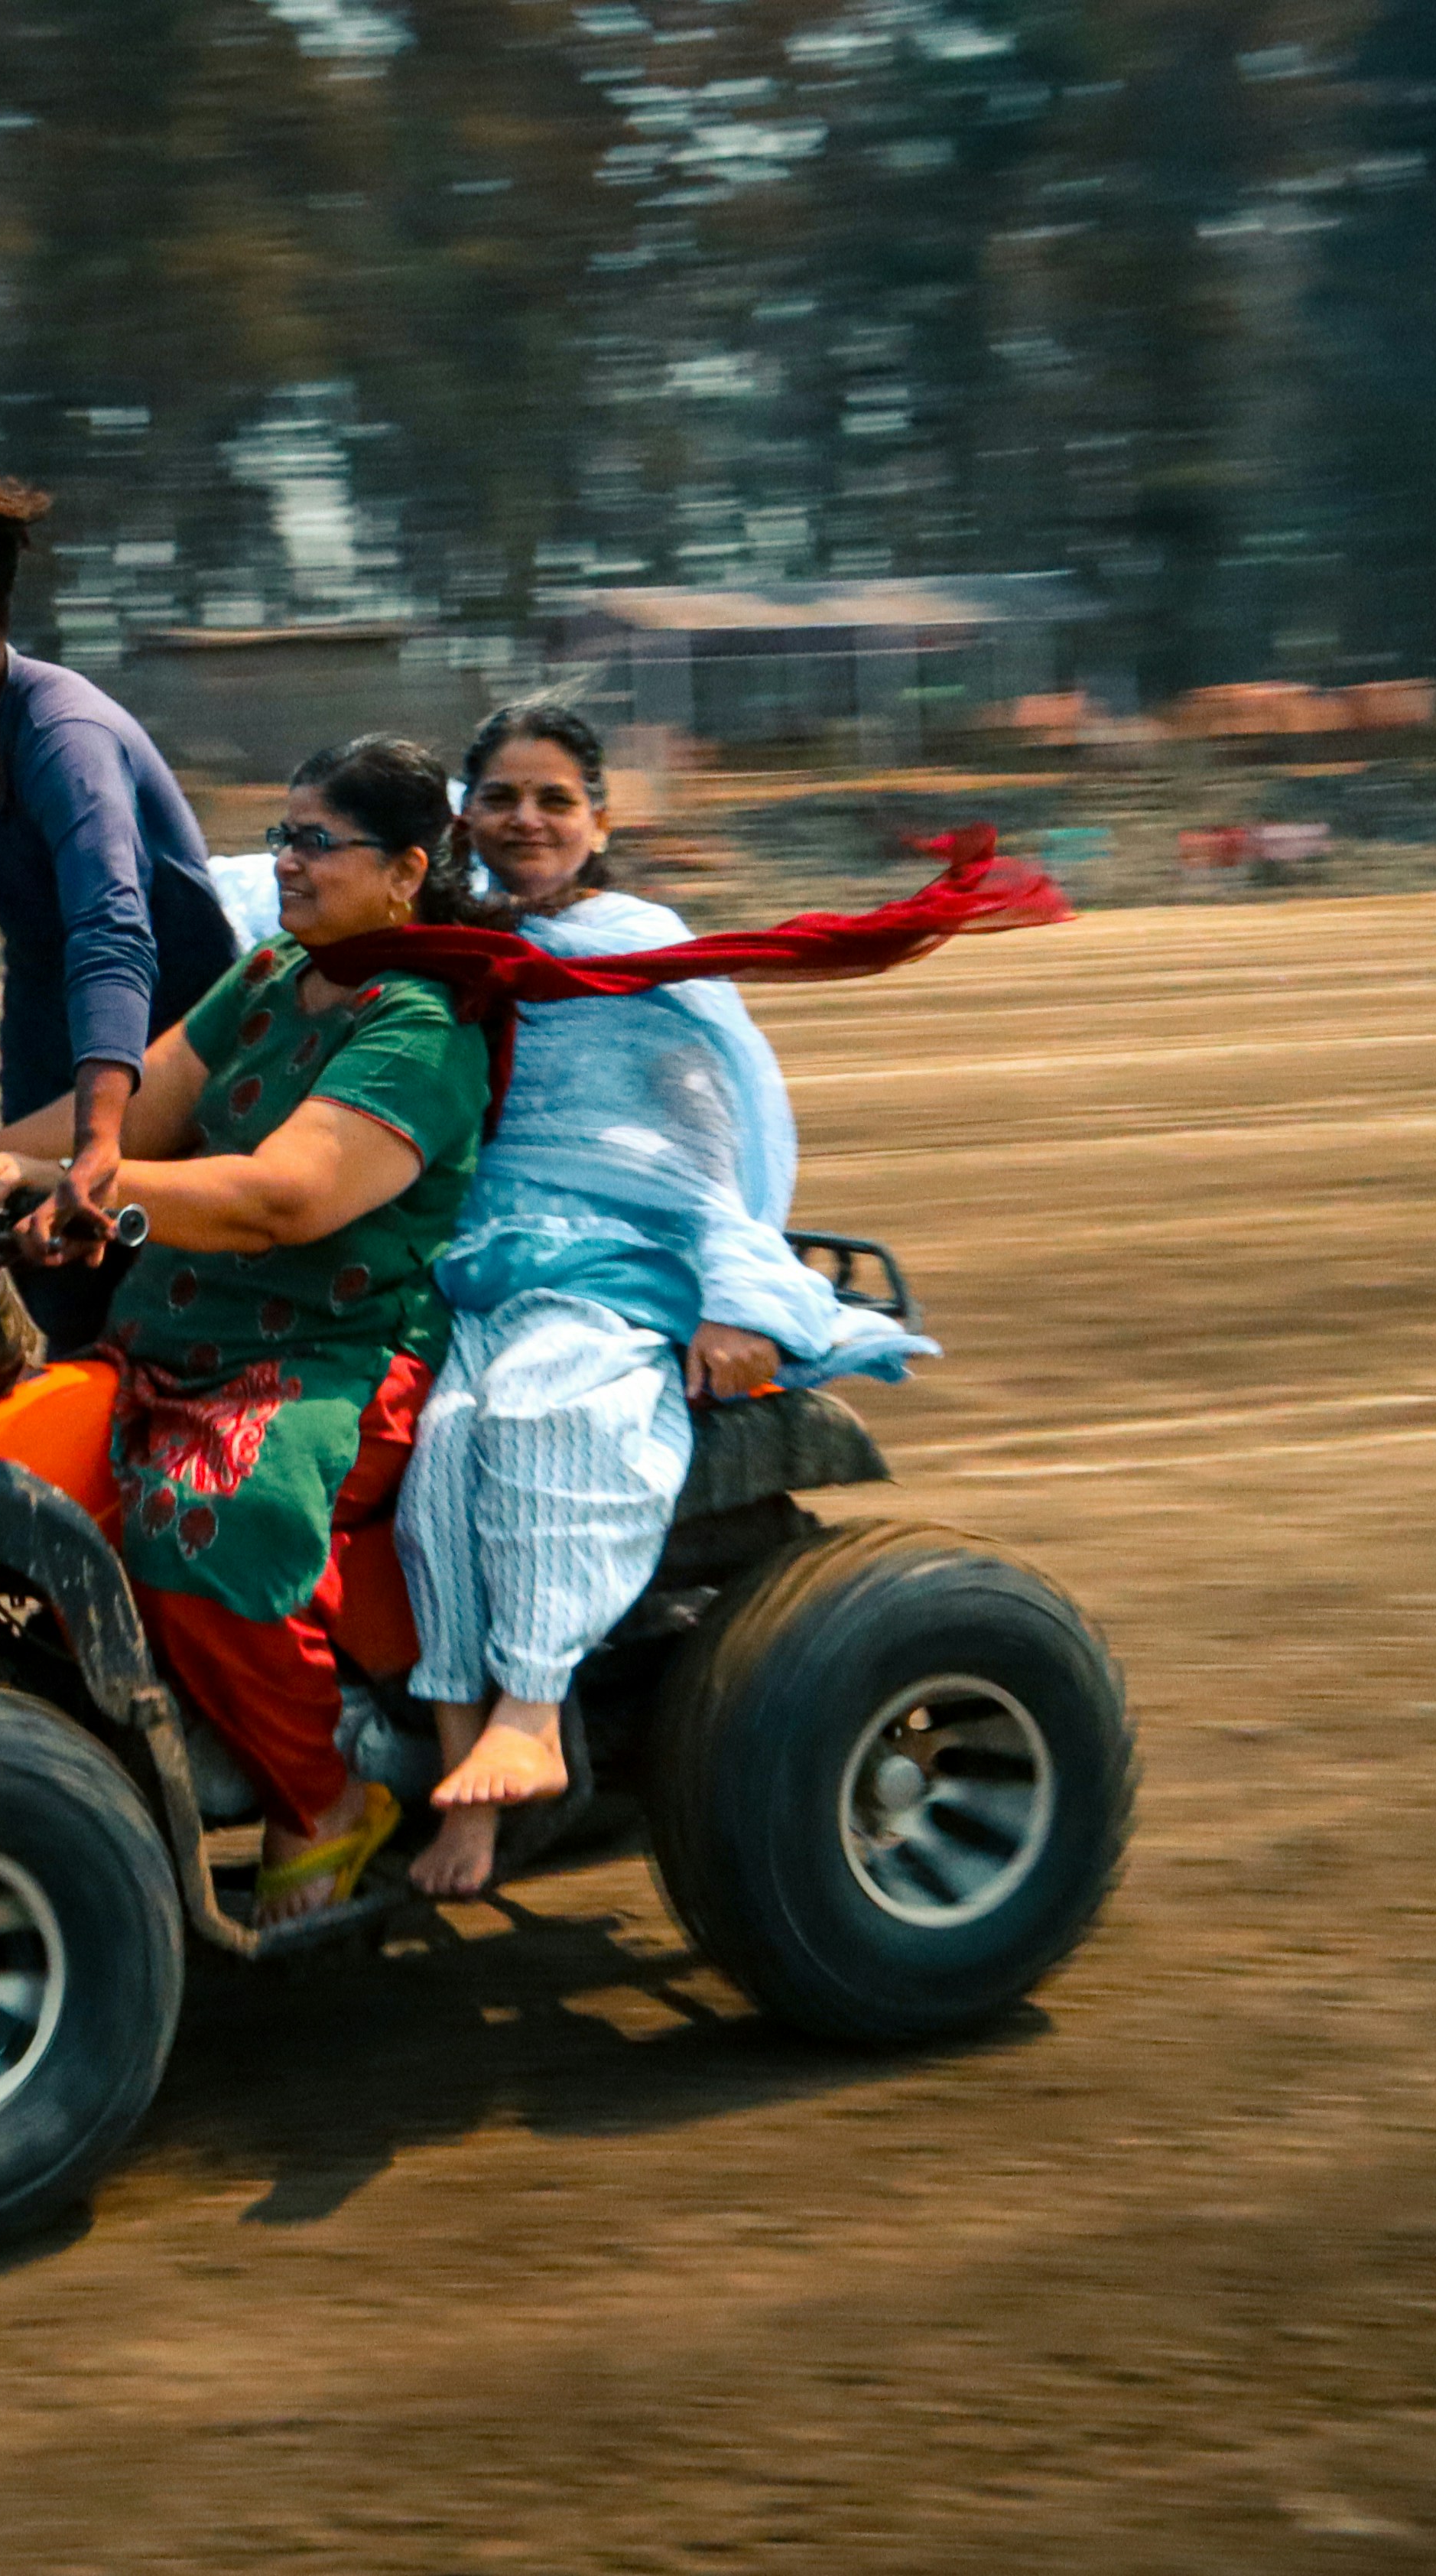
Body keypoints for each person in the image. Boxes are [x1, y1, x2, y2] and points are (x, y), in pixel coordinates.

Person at [0, 735, 505, 1924]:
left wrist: (90, 1198)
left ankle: (325, 1802)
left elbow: (283, 1196)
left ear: (406, 870)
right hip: (168, 1343)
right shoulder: (269, 976)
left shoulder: (422, 1028)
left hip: (329, 1360)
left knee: (206, 1515)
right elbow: (129, 1117)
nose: (289, 862)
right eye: (283, 836)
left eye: (317, 841)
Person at [396, 704, 942, 1897]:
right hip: (477, 1256)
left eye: (554, 800)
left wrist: (734, 1299)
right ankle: (461, 1793)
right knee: (433, 1452)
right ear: (461, 818)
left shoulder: (643, 944)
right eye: (500, 799)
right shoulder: (442, 938)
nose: (526, 821)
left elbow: (712, 1146)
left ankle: (533, 1710)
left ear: (601, 821)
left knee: (544, 1409)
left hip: (624, 1255)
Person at [0, 444, 243, 1347]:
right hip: (45, 1031)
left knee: (165, 1324)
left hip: (186, 1041)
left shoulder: (67, 736)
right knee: (56, 1314)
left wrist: (102, 1143)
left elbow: (112, 932)